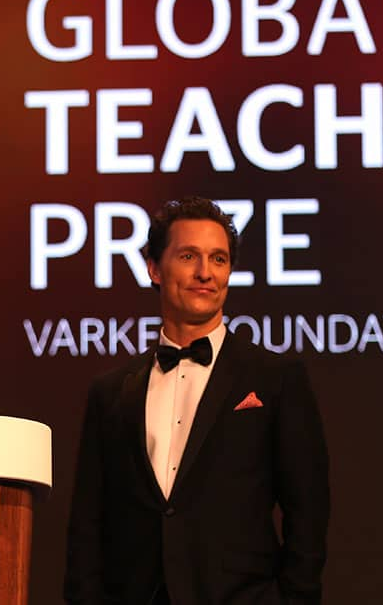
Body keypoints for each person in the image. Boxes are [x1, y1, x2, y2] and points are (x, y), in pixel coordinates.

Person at [64, 197, 329, 605]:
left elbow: (308, 509)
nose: (205, 272)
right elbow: (88, 522)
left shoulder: (275, 379)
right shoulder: (112, 392)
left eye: (219, 259)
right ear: (153, 267)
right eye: (188, 256)